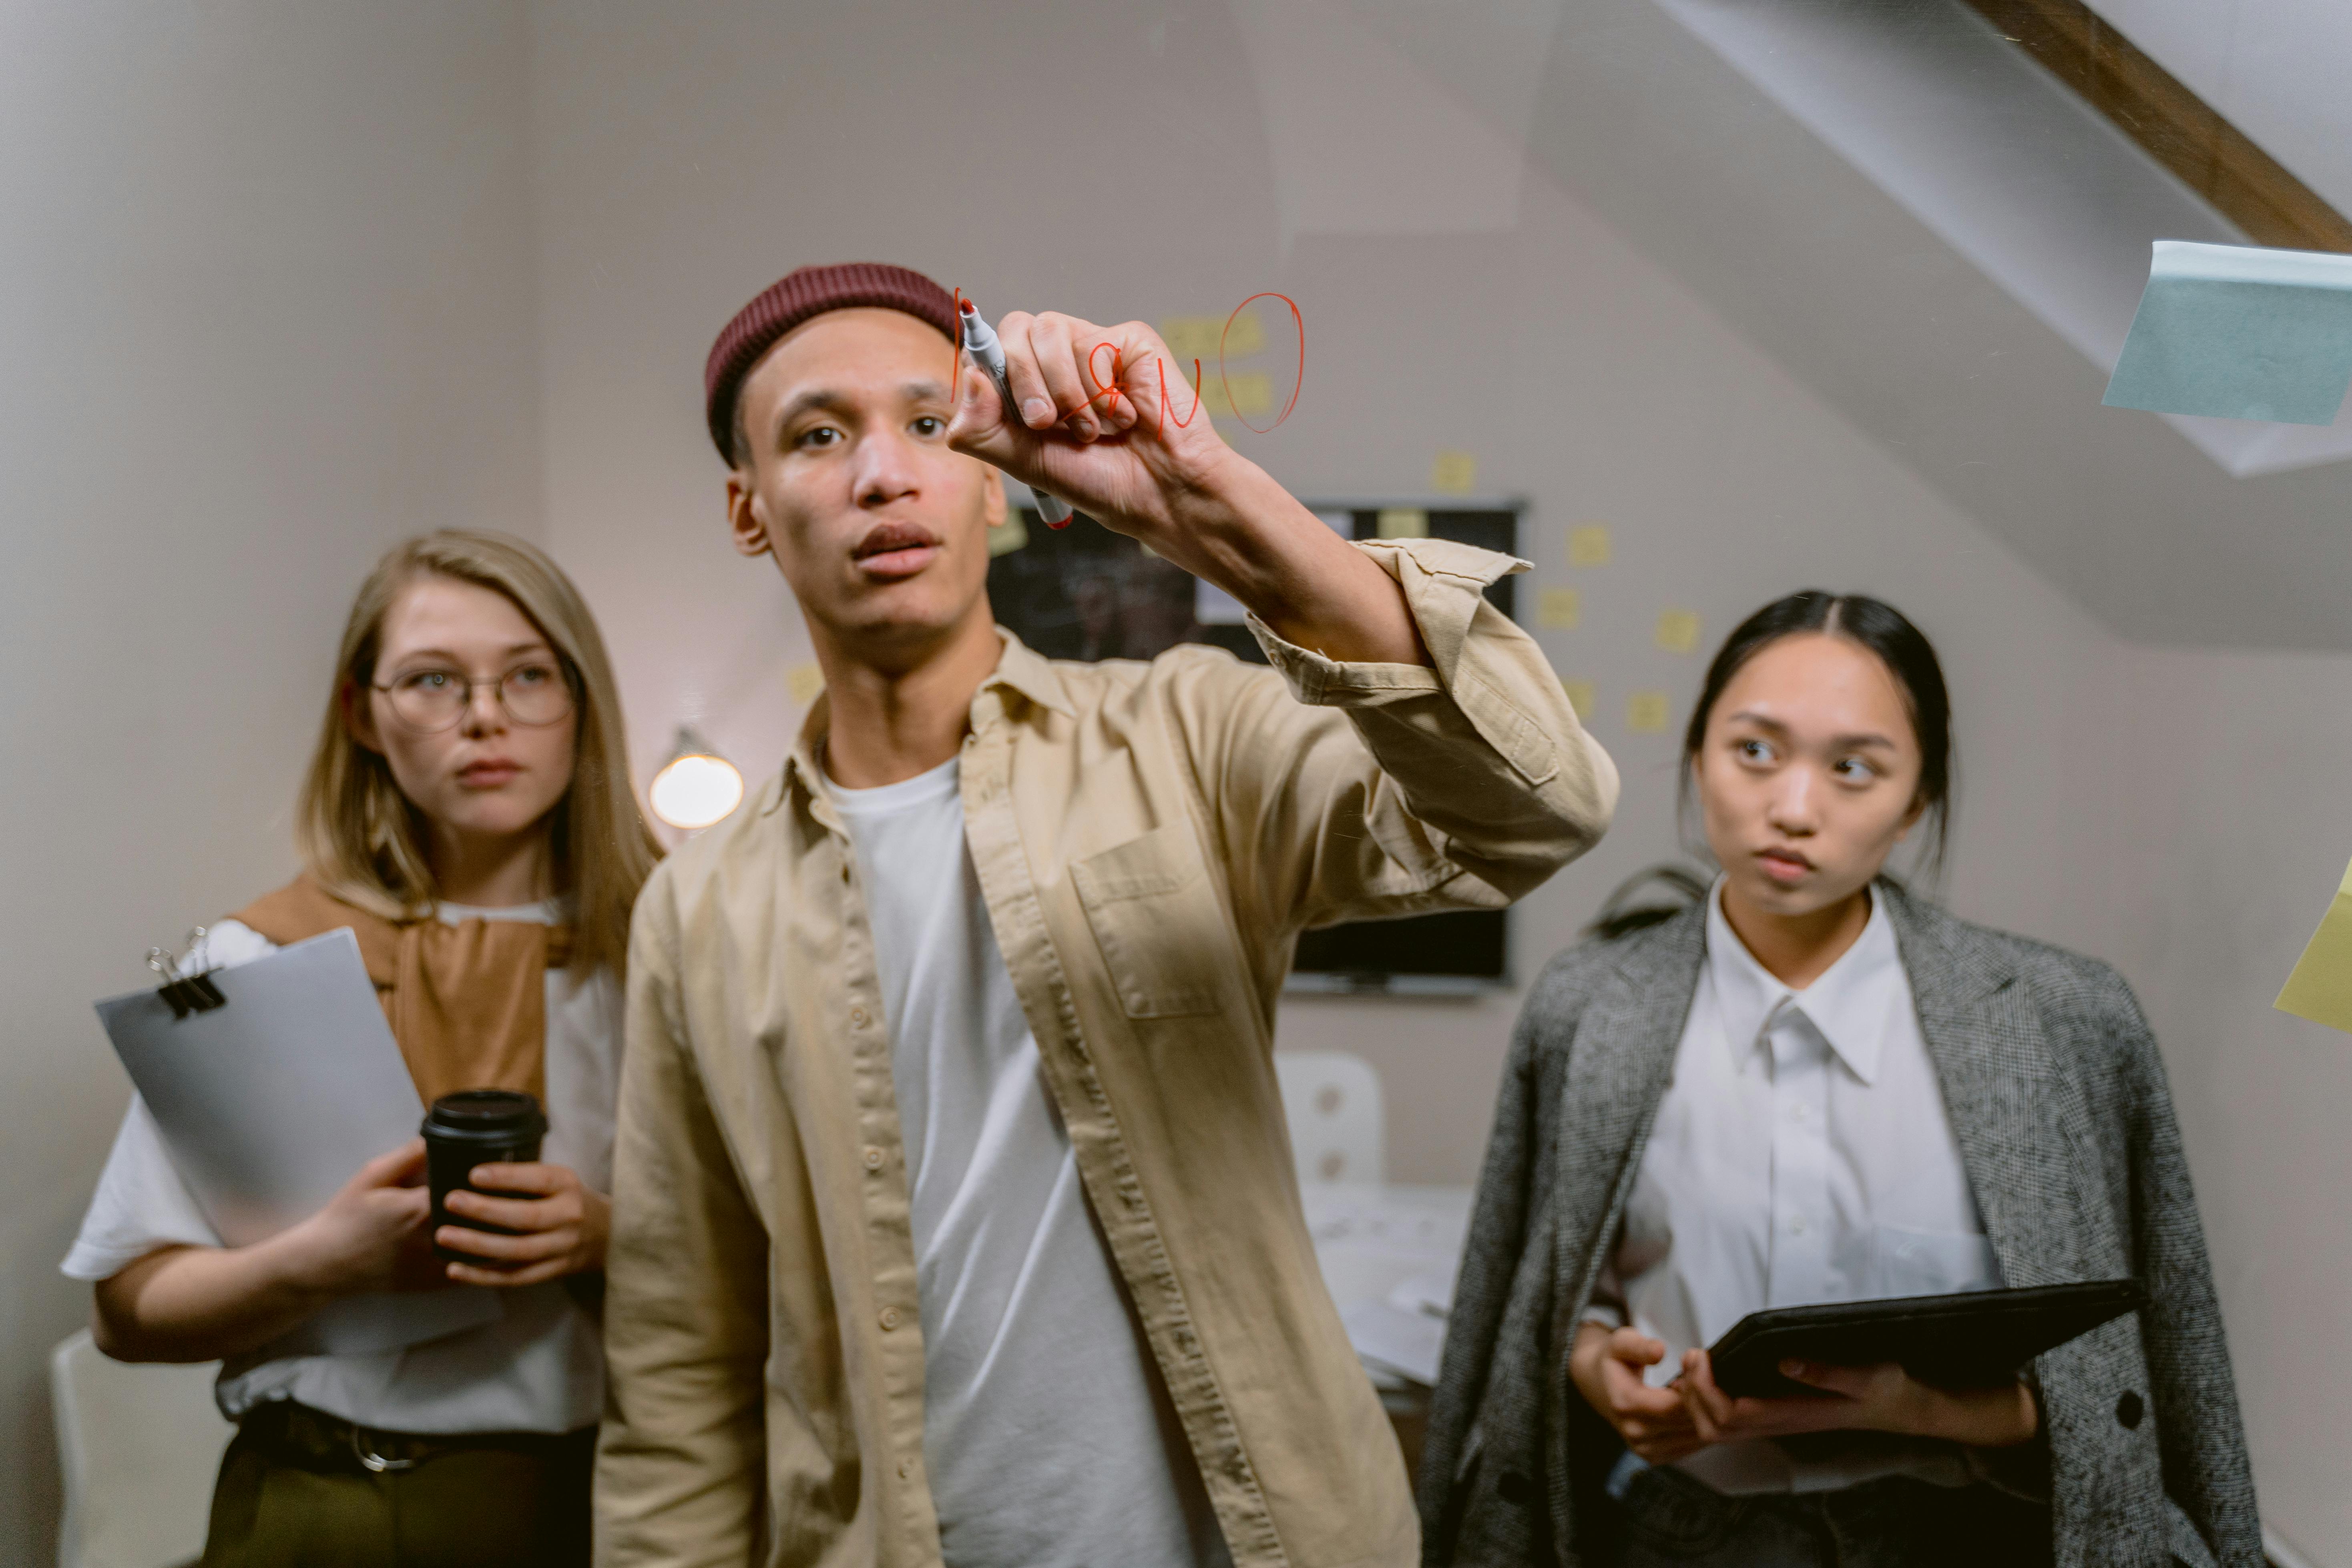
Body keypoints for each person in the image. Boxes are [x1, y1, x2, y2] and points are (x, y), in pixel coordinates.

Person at [594, 261, 1619, 1568]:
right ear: (749, 508)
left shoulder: (1185, 733)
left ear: (987, 474)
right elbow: (681, 1358)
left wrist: (1214, 514)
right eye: (816, 433)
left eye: (926, 423)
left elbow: (1537, 807)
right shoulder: (697, 903)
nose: (881, 473)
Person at [1420, 590, 2262, 1567]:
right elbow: (1543, 1287)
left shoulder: (2061, 1021)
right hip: (1675, 1538)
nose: (1792, 808)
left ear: (1916, 802)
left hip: (1969, 1538)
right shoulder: (1589, 1005)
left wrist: (1923, 1409)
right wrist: (1596, 1362)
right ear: (1696, 756)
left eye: (1854, 768)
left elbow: (2138, 1385)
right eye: (1755, 751)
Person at [63, 531, 660, 1567]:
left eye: (527, 674)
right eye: (433, 678)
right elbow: (127, 1307)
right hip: (330, 1497)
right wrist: (327, 1258)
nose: (485, 716)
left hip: (613, 1505)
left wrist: (610, 1234)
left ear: (582, 700)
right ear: (363, 714)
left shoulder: (669, 951)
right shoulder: (258, 961)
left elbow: (802, 1263)